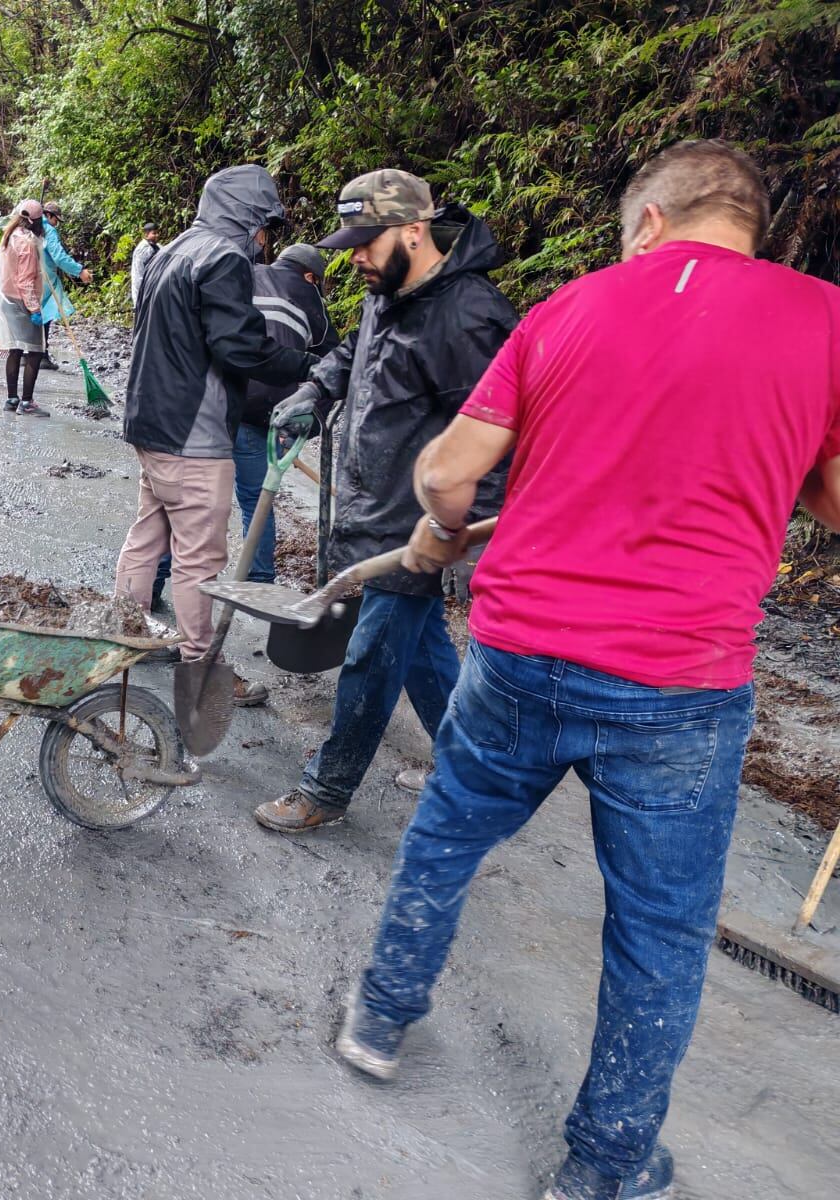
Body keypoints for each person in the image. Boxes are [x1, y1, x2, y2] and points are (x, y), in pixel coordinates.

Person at [334, 139, 840, 1200]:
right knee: (658, 934)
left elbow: (448, 470)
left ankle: (379, 1018)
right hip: (680, 688)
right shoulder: (823, 322)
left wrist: (441, 528)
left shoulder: (566, 309)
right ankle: (603, 1168)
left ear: (650, 219)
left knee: (447, 832)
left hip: (520, 654)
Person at [256, 168, 517, 833]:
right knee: (422, 647)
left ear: (414, 230)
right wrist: (316, 390)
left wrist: (470, 539)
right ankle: (473, 763)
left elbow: (498, 433)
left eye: (368, 243)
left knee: (373, 656)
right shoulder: (390, 289)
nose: (358, 258)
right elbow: (354, 352)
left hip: (420, 524)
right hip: (375, 512)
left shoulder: (469, 315)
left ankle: (327, 790)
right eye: (352, 244)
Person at [114, 164, 319, 705]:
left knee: (149, 534)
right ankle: (201, 666)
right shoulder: (224, 259)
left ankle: (121, 635)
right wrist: (309, 368)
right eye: (265, 225)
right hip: (193, 433)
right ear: (250, 216)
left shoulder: (176, 248)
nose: (265, 239)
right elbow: (242, 347)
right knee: (199, 559)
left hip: (151, 420)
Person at [148, 239, 339, 607]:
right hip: (265, 412)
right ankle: (261, 582)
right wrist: (311, 421)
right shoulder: (311, 298)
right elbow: (330, 367)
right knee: (255, 497)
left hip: (213, 406)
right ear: (311, 275)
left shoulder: (242, 274)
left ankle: (153, 581)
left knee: (185, 500)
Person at [0, 199, 51, 417]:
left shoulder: (11, 235)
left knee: (15, 349)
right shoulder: (26, 243)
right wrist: (35, 310)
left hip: (7, 298)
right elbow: (26, 282)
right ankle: (26, 402)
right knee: (35, 351)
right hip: (21, 301)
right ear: (36, 222)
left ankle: (11, 399)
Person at [38, 199, 92, 370]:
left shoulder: (34, 229)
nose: (56, 224)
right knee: (45, 314)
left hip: (31, 276)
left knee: (35, 313)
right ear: (48, 215)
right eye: (56, 220)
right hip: (45, 279)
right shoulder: (49, 230)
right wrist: (79, 271)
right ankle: (41, 355)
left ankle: (29, 353)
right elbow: (59, 257)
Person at [129, 220, 160, 310]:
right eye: (154, 233)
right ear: (146, 235)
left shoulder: (157, 246)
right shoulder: (142, 250)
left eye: (158, 233)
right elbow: (138, 273)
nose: (157, 235)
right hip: (143, 286)